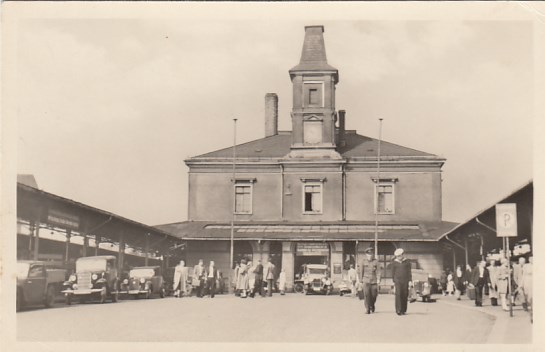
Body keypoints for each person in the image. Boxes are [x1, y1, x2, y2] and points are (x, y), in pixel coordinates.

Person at [391, 248, 412, 316]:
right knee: (398, 295)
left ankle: (403, 310)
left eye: (400, 255)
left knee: (404, 294)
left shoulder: (407, 262)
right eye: (398, 256)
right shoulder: (394, 263)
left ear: (403, 255)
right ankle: (398, 310)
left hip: (405, 280)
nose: (399, 257)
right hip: (398, 281)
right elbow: (392, 272)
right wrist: (394, 280)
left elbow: (409, 272)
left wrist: (410, 281)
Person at [361, 247, 381, 314]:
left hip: (374, 281)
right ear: (366, 255)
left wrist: (378, 279)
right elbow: (361, 271)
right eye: (368, 254)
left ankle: (372, 305)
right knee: (366, 295)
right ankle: (367, 308)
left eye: (371, 254)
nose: (370, 255)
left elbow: (379, 271)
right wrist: (360, 281)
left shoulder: (376, 262)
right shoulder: (363, 261)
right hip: (366, 280)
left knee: (374, 295)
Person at [520, 256, 532, 320]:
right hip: (527, 281)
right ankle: (529, 307)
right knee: (528, 296)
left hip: (534, 281)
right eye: (531, 259)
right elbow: (523, 275)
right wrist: (521, 284)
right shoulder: (526, 266)